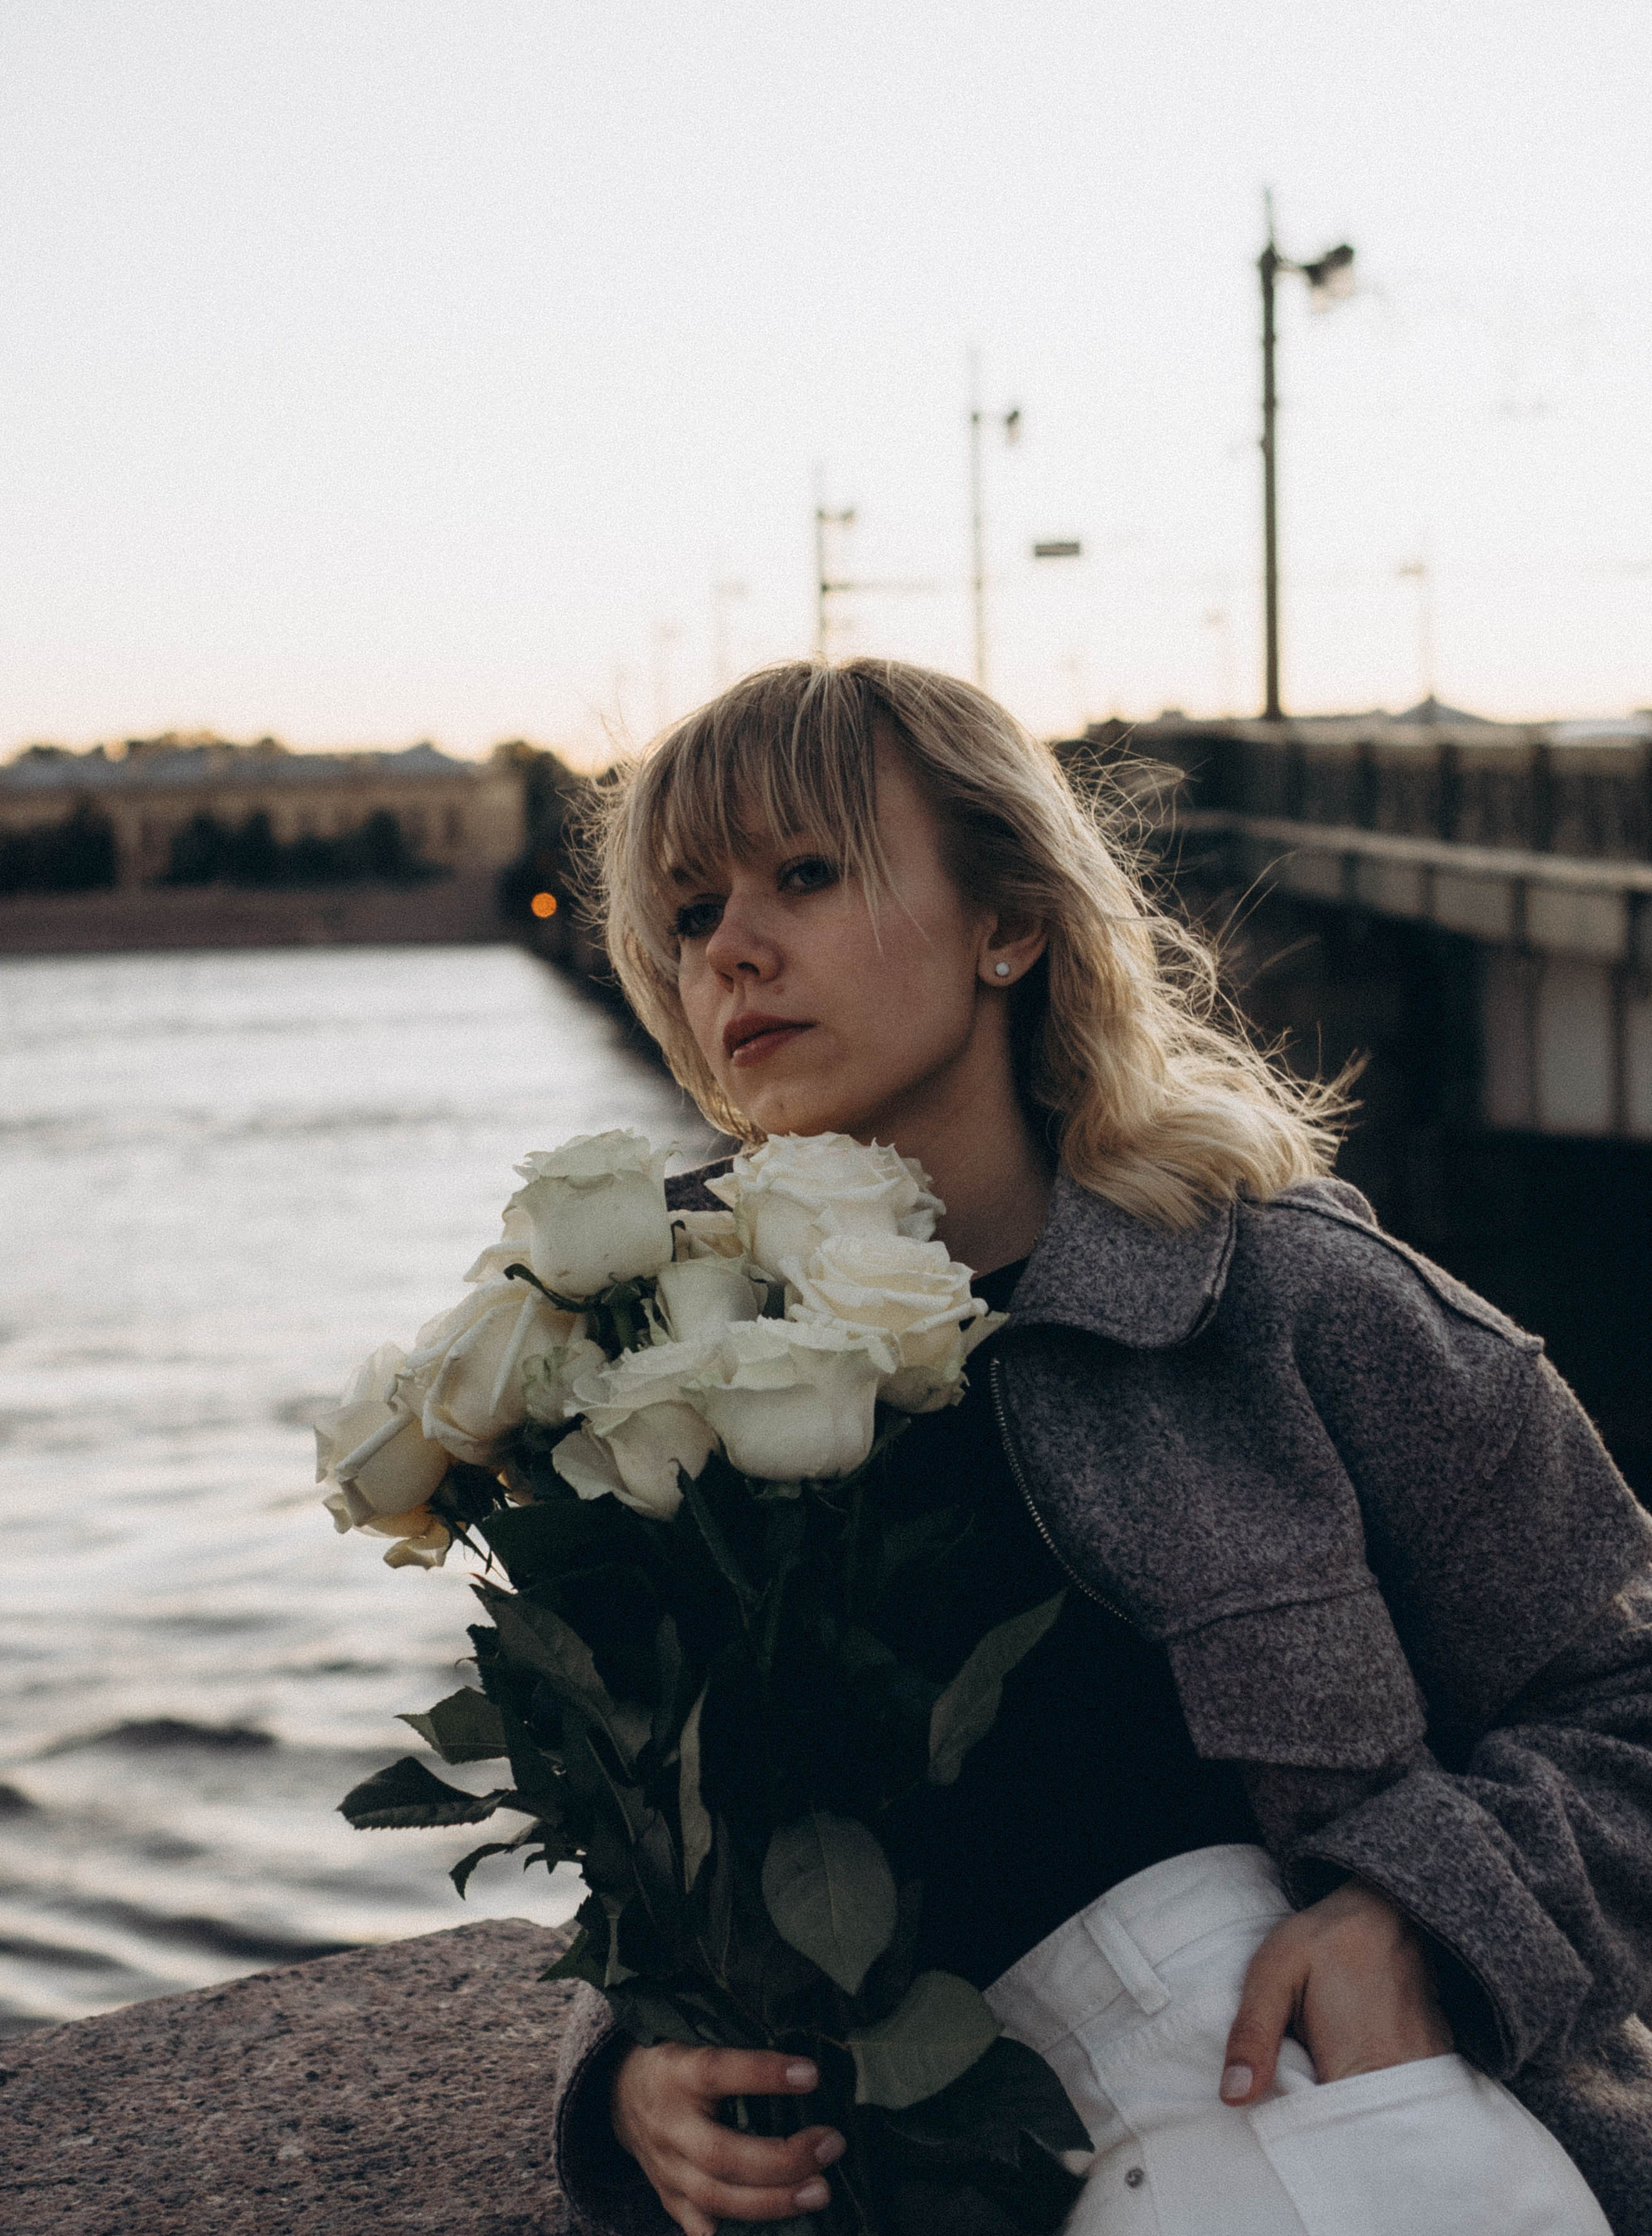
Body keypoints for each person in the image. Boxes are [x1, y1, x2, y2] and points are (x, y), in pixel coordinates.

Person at [549, 657, 1652, 2236]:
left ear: (1008, 924)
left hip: (1377, 2159)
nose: (732, 946)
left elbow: (1625, 1694)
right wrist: (637, 2076)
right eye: (688, 912)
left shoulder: (1284, 1298)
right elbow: (655, 1858)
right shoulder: (659, 1391)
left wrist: (1423, 1914)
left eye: (804, 873)